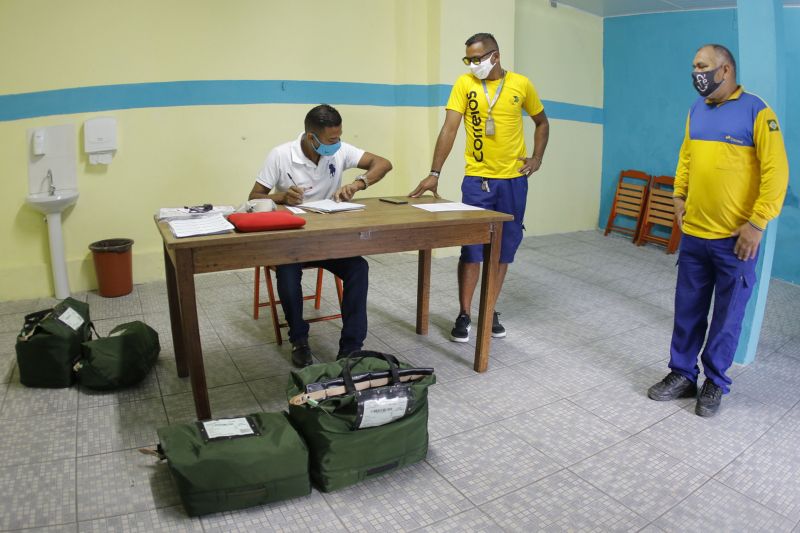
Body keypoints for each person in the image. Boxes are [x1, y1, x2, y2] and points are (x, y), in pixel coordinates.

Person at [648, 44, 789, 417]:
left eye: (702, 66)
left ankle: (715, 381)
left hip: (735, 240)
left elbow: (778, 174)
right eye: (694, 66)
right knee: (688, 310)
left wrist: (757, 224)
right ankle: (681, 374)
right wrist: (679, 195)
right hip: (695, 234)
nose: (696, 73)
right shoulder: (697, 110)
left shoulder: (758, 111)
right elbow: (687, 157)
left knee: (728, 316)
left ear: (725, 70)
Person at [409, 32, 549, 342]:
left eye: (477, 59)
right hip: (477, 181)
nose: (473, 65)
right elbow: (449, 128)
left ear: (495, 56)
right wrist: (435, 172)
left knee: (504, 250)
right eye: (469, 60)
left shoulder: (521, 85)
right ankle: (465, 312)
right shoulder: (464, 84)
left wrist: (536, 158)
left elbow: (542, 122)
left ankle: (489, 308)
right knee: (472, 249)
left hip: (513, 182)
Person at [249, 104, 392, 367]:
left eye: (338, 137)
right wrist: (281, 197)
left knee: (358, 268)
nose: (335, 145)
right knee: (288, 274)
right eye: (330, 140)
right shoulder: (280, 155)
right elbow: (254, 198)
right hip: (292, 240)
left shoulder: (340, 149)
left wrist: (358, 183)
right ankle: (299, 339)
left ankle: (350, 348)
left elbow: (383, 163)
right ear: (311, 137)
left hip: (328, 239)